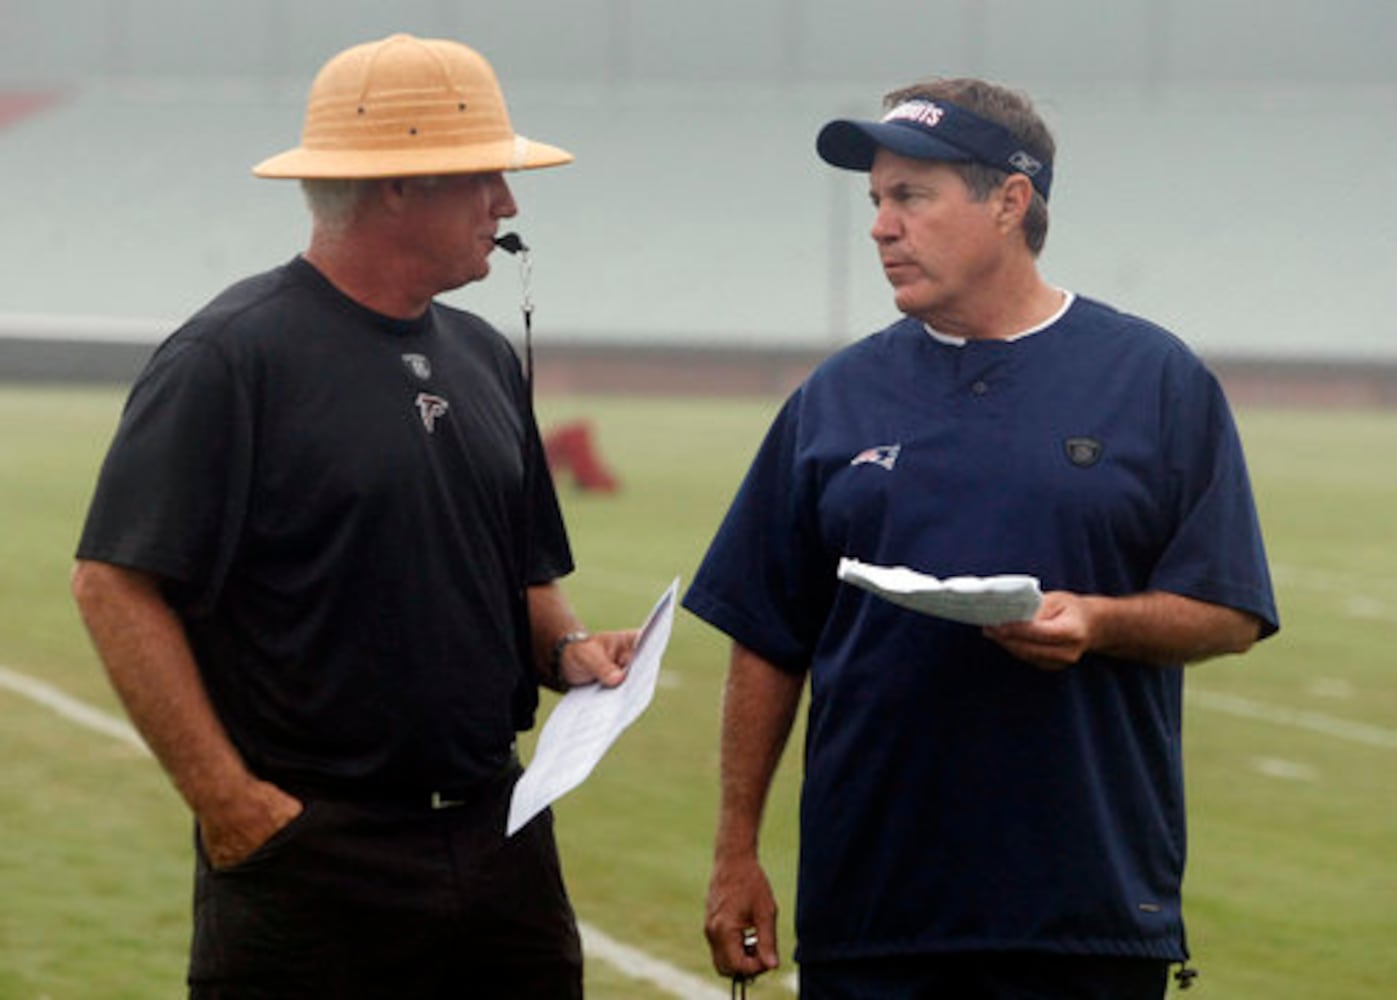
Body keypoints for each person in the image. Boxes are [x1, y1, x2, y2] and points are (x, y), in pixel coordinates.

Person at [684, 76, 1279, 999]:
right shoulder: (832, 399)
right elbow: (766, 632)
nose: (882, 226)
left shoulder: (1154, 380)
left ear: (1010, 201)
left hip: (1084, 919)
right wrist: (734, 854)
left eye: (911, 196)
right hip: (869, 916)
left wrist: (1098, 621)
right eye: (875, 200)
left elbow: (1230, 611)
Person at [71, 33, 635, 998]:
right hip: (312, 858)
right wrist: (229, 802)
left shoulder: (484, 356)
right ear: (395, 186)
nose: (507, 204)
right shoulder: (230, 357)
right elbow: (115, 582)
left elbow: (523, 572)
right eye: (483, 176)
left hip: (500, 839)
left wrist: (566, 652)